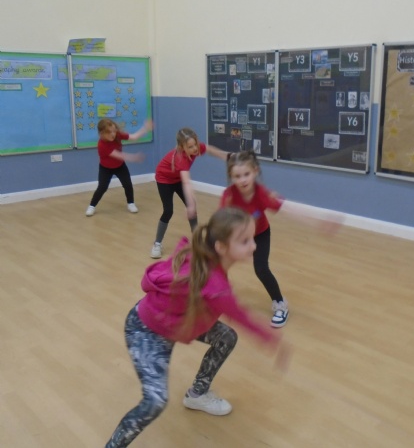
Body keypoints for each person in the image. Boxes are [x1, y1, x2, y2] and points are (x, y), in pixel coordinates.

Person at [105, 207, 289, 448]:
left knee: (226, 337)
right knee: (155, 401)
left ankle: (197, 395)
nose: (254, 246)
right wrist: (273, 340)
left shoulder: (206, 259)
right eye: (245, 241)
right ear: (221, 247)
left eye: (251, 239)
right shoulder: (215, 286)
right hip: (146, 330)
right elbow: (241, 315)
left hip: (178, 321)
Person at [221, 150, 343, 328]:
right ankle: (222, 298)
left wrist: (318, 222)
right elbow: (220, 221)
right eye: (237, 176)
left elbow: (289, 210)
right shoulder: (229, 196)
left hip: (260, 233)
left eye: (246, 174)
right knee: (221, 265)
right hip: (238, 236)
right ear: (231, 177)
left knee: (261, 269)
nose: (243, 180)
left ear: (255, 171)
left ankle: (280, 304)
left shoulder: (262, 194)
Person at [150, 127, 228, 258]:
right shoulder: (181, 158)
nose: (195, 148)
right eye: (190, 147)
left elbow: (209, 149)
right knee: (168, 211)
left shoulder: (195, 148)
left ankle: (197, 241)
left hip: (178, 178)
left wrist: (226, 156)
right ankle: (157, 244)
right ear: (182, 147)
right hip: (164, 179)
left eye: (195, 144)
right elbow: (186, 182)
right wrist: (190, 205)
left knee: (192, 207)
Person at [85, 118, 153, 217]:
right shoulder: (102, 145)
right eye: (109, 132)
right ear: (101, 134)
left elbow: (134, 137)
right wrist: (134, 158)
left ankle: (131, 203)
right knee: (102, 187)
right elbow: (120, 155)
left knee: (127, 184)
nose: (113, 134)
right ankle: (92, 206)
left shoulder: (117, 135)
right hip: (106, 168)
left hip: (120, 166)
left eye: (114, 131)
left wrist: (145, 128)